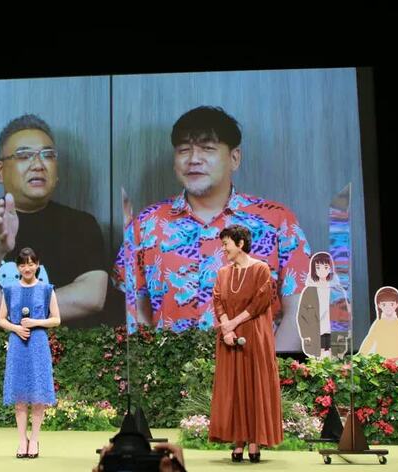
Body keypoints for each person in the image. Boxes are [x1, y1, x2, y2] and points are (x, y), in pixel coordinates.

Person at [113, 106, 310, 349]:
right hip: (169, 370)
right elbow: (135, 310)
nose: (194, 159)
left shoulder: (278, 222)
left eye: (207, 148)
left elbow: (300, 311)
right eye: (184, 150)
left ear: (234, 158)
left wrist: (268, 369)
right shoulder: (146, 225)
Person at [0, 114, 108, 328]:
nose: (38, 165)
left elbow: (93, 296)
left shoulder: (81, 224)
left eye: (48, 155)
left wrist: (13, 306)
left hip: (59, 348)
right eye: (24, 155)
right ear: (0, 171)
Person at [209, 225, 283, 462]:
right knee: (233, 388)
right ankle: (238, 440)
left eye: (226, 244)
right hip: (229, 337)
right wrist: (226, 327)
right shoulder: (223, 273)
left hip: (254, 335)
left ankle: (254, 440)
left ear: (240, 244)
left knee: (253, 385)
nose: (223, 249)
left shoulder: (261, 269)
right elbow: (218, 300)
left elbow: (259, 303)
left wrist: (233, 324)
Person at [0, 247, 60, 459]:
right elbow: (1, 320)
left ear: (37, 265)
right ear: (17, 267)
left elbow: (56, 319)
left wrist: (35, 322)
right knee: (20, 396)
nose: (27, 268)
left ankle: (34, 440)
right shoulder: (9, 290)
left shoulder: (46, 289)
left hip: (38, 344)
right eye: (23, 264)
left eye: (31, 264)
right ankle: (21, 440)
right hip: (17, 344)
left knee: (38, 394)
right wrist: (16, 328)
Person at [296, 252, 350, 359]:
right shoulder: (309, 291)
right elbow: (302, 316)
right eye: (318, 267)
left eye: (325, 267)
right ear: (314, 269)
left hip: (334, 333)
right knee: (318, 359)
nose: (322, 270)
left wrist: (343, 334)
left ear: (330, 268)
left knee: (334, 359)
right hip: (315, 333)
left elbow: (344, 315)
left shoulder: (337, 290)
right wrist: (306, 335)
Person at [359, 286, 398, 360]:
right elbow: (370, 340)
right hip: (382, 360)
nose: (388, 307)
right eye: (384, 304)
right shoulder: (378, 323)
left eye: (392, 304)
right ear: (379, 305)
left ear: (397, 304)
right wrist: (360, 356)